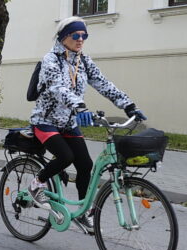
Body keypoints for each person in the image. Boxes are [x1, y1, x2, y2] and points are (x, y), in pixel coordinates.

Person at [27, 17, 147, 232]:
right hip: (45, 122)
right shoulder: (50, 59)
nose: (81, 39)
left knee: (85, 165)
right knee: (66, 157)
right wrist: (80, 107)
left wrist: (128, 105)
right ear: (64, 37)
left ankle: (83, 212)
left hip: (69, 123)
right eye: (76, 35)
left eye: (84, 35)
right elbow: (58, 88)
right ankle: (37, 184)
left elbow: (103, 83)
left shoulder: (84, 61)